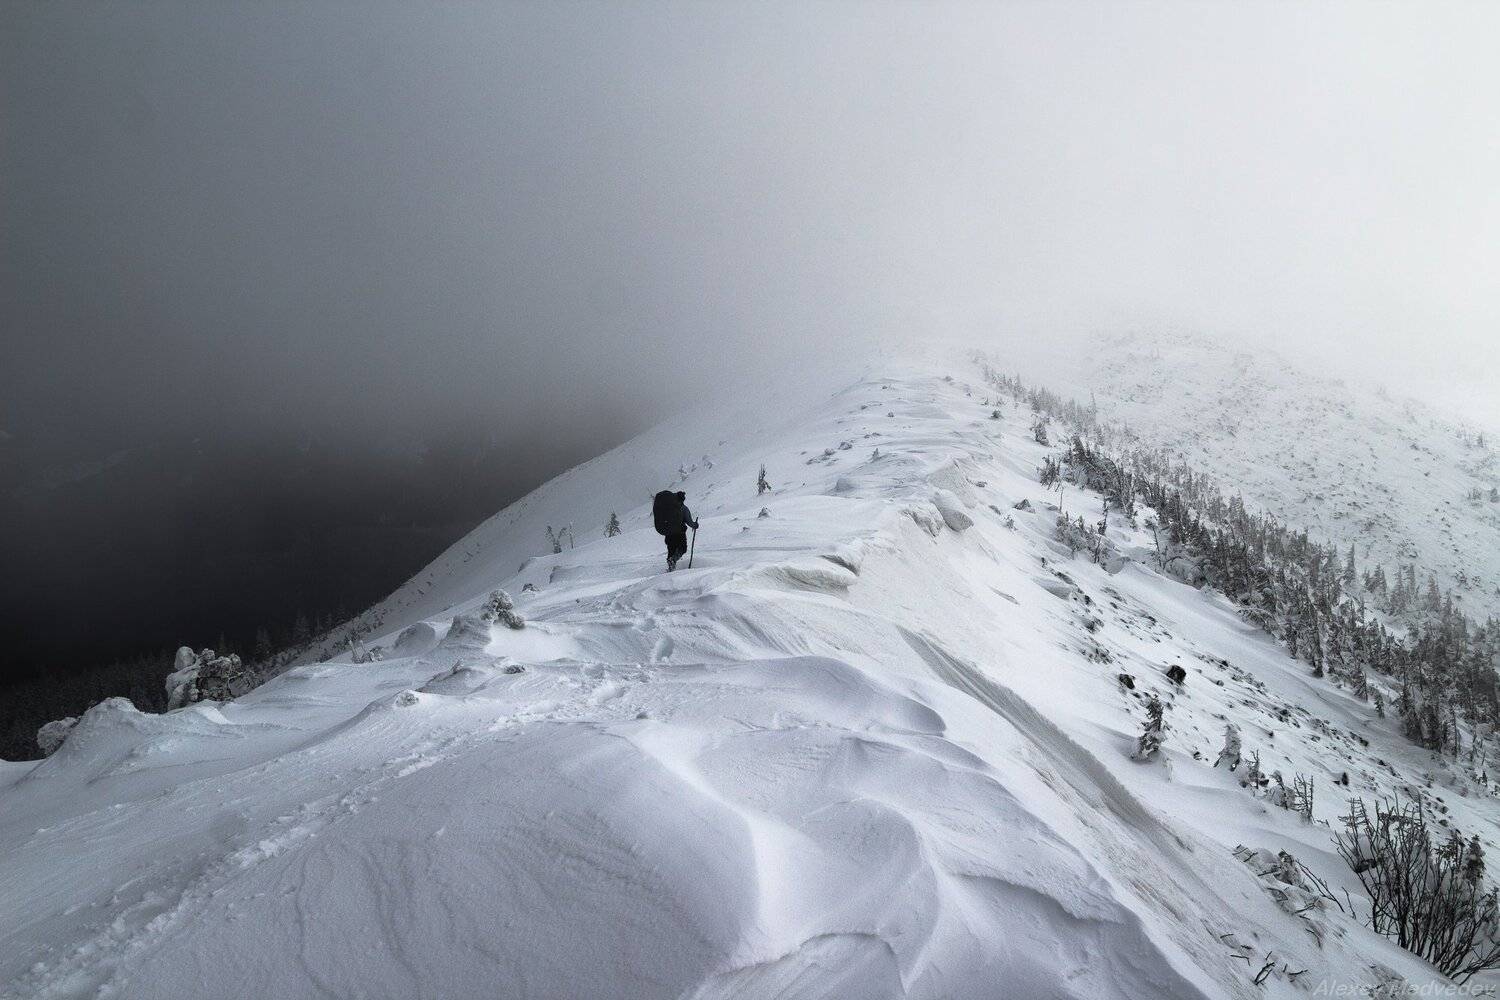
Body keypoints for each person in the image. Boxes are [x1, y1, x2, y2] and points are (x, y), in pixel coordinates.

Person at [652, 489, 699, 571]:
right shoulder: (683, 508)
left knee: (671, 549)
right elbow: (689, 522)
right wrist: (695, 525)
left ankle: (671, 568)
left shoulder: (668, 507)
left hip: (668, 532)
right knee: (682, 548)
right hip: (679, 532)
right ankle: (673, 560)